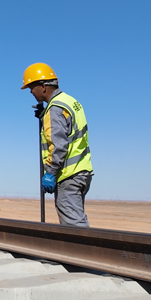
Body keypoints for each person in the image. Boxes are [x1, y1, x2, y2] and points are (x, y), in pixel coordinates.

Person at [22, 63, 93, 227]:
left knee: (74, 226)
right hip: (82, 171)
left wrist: (50, 172)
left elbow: (58, 145)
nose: (31, 92)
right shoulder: (70, 101)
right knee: (77, 219)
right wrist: (45, 116)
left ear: (43, 86)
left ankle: (82, 245)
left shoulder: (54, 109)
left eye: (31, 87)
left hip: (68, 174)